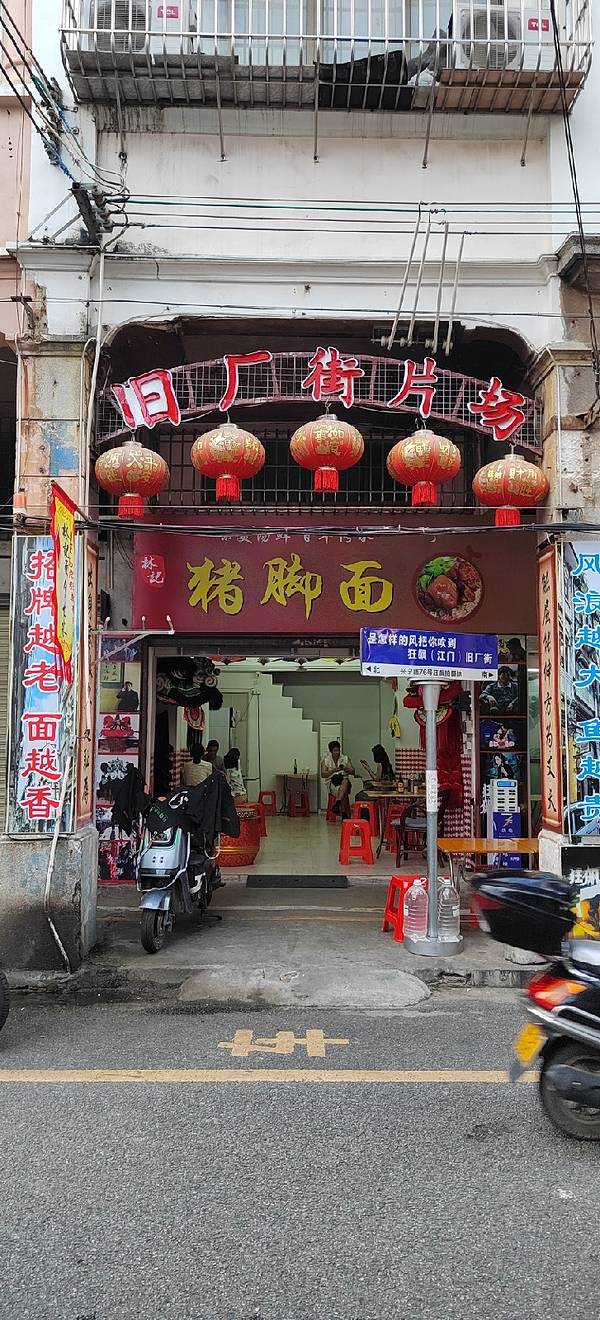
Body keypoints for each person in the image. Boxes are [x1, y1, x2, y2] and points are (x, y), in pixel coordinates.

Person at [320, 740, 354, 819]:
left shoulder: (345, 758)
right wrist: (333, 770)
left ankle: (337, 804)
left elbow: (353, 771)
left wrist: (345, 768)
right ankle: (343, 812)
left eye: (338, 750)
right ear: (331, 751)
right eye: (335, 751)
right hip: (332, 782)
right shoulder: (325, 761)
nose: (337, 752)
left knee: (344, 782)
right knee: (342, 790)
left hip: (343, 780)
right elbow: (323, 774)